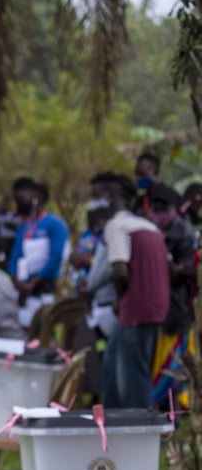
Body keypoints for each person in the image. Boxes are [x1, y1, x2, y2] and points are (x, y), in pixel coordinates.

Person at [93, 172, 171, 408]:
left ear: (118, 198)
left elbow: (120, 270)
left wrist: (119, 299)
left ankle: (137, 426)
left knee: (132, 374)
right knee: (114, 358)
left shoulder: (117, 225)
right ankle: (112, 419)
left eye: (107, 194)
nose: (101, 199)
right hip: (156, 305)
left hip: (136, 307)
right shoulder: (149, 226)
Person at [147, 183, 198, 409]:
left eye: (163, 207)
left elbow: (187, 272)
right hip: (159, 311)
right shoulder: (152, 230)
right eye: (155, 207)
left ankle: (176, 414)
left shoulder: (184, 232)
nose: (159, 212)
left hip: (178, 310)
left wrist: (170, 267)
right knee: (159, 366)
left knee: (175, 368)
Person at [5, 177, 69, 327]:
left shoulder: (55, 224)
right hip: (23, 291)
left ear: (37, 198)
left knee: (43, 328)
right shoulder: (25, 226)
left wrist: (35, 281)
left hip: (43, 288)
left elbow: (55, 257)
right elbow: (16, 254)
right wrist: (16, 280)